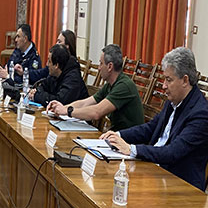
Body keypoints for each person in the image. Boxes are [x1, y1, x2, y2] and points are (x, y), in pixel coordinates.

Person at [100, 47, 208, 191]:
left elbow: (173, 152)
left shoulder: (201, 113)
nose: (164, 86)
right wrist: (117, 135)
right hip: (155, 172)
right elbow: (150, 128)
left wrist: (131, 149)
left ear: (185, 80)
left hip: (179, 187)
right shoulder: (173, 101)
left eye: (168, 80)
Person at [47, 44, 144, 131]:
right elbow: (85, 103)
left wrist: (68, 111)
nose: (99, 68)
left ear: (110, 66)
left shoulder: (124, 86)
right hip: (117, 136)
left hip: (129, 141)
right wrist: (62, 107)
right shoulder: (109, 85)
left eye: (101, 63)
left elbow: (97, 112)